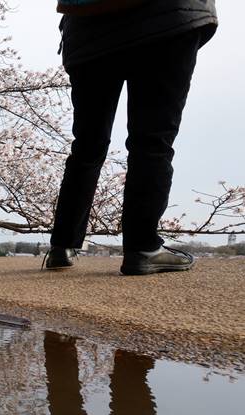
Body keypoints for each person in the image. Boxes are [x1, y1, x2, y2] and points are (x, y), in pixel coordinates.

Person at [45, 1, 217, 275]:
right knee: (152, 140)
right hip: (167, 20)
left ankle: (62, 246)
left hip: (87, 27)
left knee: (87, 145)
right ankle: (142, 248)